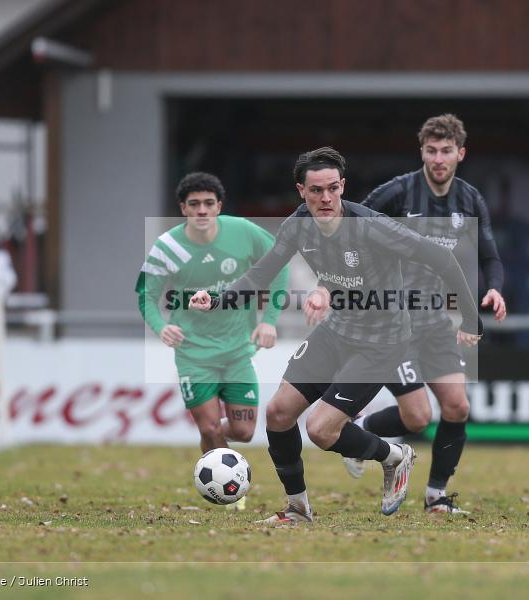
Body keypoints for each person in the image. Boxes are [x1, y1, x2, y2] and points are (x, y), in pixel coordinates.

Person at [190, 147, 483, 523]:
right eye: (315, 191)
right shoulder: (297, 226)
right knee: (278, 414)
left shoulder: (371, 227)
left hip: (383, 341)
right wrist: (217, 300)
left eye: (332, 188)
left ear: (342, 186)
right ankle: (298, 511)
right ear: (301, 190)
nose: (325, 198)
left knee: (320, 429)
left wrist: (472, 320)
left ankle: (394, 456)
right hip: (337, 330)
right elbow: (261, 275)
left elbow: (443, 260)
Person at [323, 114, 506, 514]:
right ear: (421, 152)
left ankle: (436, 497)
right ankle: (368, 435)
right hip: (391, 322)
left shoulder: (470, 199)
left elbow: (489, 253)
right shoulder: (396, 193)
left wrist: (493, 287)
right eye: (431, 150)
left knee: (457, 407)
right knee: (419, 417)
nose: (438, 158)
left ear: (461, 153)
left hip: (436, 322)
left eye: (446, 151)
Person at [136, 172, 289, 511]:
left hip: (237, 351)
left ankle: (212, 446)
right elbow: (146, 295)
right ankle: (230, 491)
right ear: (183, 209)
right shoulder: (168, 247)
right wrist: (161, 326)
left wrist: (269, 321)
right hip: (194, 354)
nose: (202, 210)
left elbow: (280, 266)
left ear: (219, 206)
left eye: (208, 204)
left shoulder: (245, 233)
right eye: (194, 205)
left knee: (245, 430)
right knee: (208, 424)